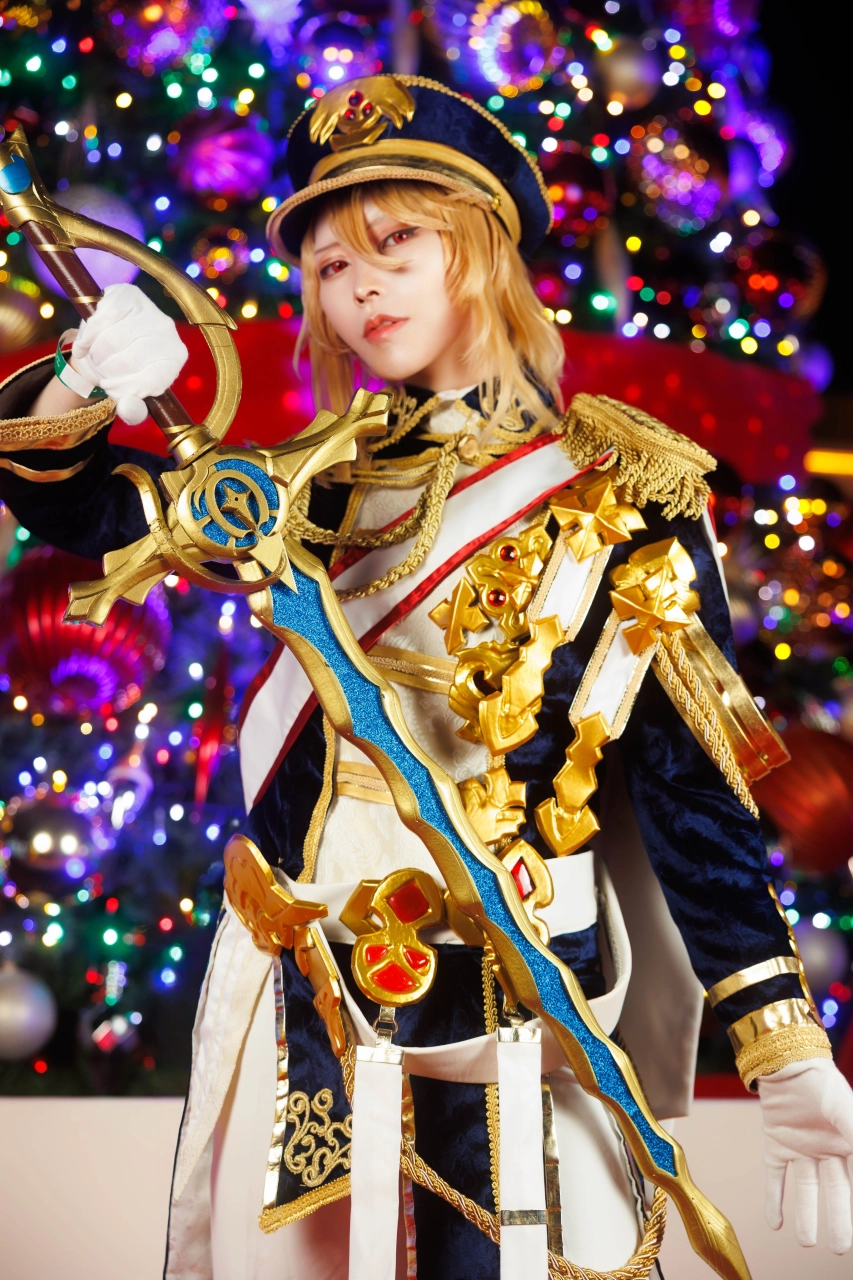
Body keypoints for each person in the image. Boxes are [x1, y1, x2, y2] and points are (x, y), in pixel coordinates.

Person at [1, 73, 852, 1280]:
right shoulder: (311, 487)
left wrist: (781, 1042)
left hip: (530, 998)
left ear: (483, 245)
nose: (360, 286)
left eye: (395, 240)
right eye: (330, 265)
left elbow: (689, 790)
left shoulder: (623, 492)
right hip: (322, 1005)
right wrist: (84, 378)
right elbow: (82, 508)